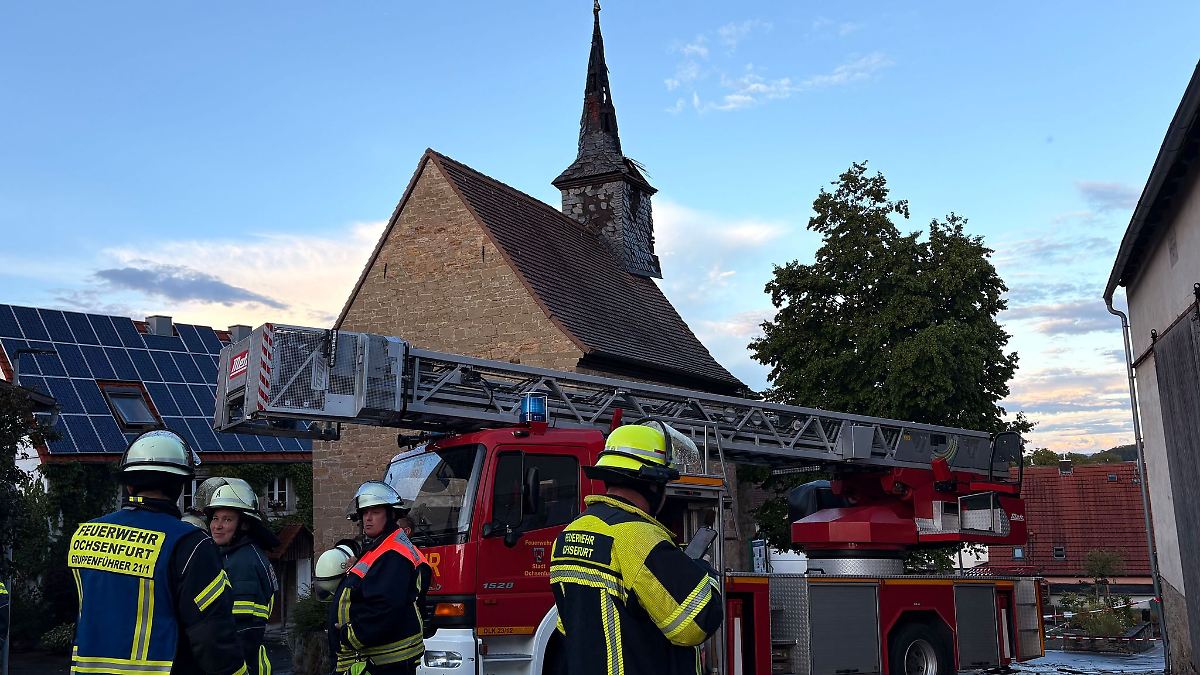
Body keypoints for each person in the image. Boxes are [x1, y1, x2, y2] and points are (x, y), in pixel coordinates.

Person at [67, 429, 248, 675]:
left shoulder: (84, 534)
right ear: (179, 486)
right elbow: (212, 637)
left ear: (129, 484)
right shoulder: (191, 544)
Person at [550, 422, 724, 675]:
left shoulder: (569, 534)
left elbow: (569, 626)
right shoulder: (638, 536)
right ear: (654, 485)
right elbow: (696, 624)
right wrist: (703, 570)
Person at [328, 481, 431, 675]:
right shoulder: (383, 547)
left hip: (385, 662)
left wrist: (350, 635)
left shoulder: (393, 554)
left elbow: (385, 606)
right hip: (383, 660)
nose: (368, 518)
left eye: (375, 512)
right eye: (365, 513)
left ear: (391, 514)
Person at [205, 479, 281, 675]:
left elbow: (243, 631)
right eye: (215, 518)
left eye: (227, 519)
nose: (218, 526)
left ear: (244, 525)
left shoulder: (244, 563)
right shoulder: (235, 554)